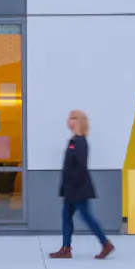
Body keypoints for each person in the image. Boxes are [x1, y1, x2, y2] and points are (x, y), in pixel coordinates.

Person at [50, 109, 115, 259]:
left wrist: (72, 185)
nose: (68, 120)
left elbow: (80, 166)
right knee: (66, 216)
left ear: (78, 121)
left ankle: (106, 244)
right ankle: (66, 248)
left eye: (71, 118)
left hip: (78, 189)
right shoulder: (74, 141)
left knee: (86, 216)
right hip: (70, 188)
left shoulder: (80, 142)